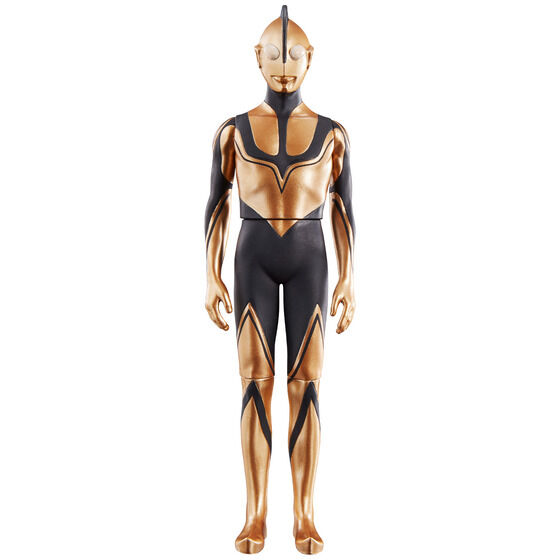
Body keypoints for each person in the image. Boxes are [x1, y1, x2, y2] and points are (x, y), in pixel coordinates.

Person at [204, 6, 355, 554]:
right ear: (257, 58)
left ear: (310, 59)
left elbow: (343, 209)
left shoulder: (333, 134)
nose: (284, 66)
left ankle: (305, 514)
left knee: (305, 384)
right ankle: (256, 514)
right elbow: (216, 204)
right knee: (255, 384)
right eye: (274, 54)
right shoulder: (234, 131)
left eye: (293, 56)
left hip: (311, 260)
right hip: (253, 260)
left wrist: (348, 279)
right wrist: (211, 275)